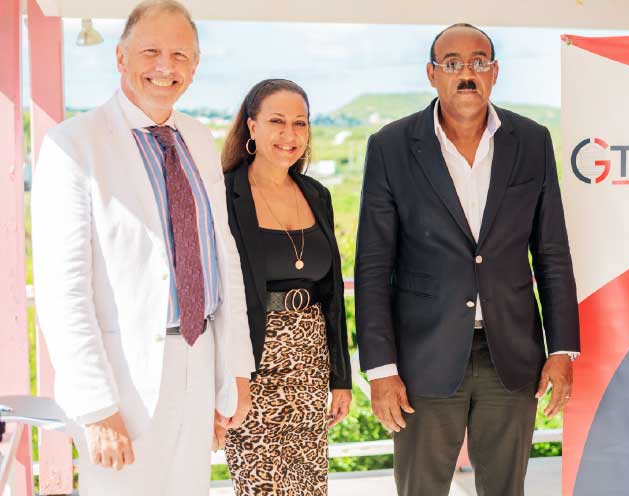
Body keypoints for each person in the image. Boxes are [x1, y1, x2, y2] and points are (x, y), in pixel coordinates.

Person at [30, 1, 255, 494]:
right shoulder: (74, 144)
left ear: (194, 68)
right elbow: (61, 289)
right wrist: (95, 406)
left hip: (199, 361)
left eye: (180, 55)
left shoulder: (197, 137)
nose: (165, 66)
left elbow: (225, 259)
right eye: (151, 50)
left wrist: (236, 368)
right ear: (120, 57)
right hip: (123, 382)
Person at [355, 23, 581, 496]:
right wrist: (381, 369)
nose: (466, 73)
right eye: (452, 63)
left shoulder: (533, 141)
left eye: (478, 62)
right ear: (432, 74)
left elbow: (552, 253)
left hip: (513, 356)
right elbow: (373, 267)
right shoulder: (390, 146)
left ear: (494, 73)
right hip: (422, 359)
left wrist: (561, 350)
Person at [219, 78, 353, 495]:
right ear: (251, 126)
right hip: (252, 364)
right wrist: (229, 376)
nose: (289, 134)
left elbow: (332, 295)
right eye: (277, 121)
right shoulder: (223, 193)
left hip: (310, 363)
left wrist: (340, 377)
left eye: (300, 123)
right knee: (261, 486)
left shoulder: (317, 194)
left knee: (309, 484)